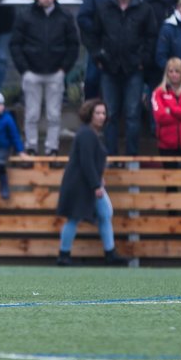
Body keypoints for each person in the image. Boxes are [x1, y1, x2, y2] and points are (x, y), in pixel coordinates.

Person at [84, 0, 159, 154]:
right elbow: (92, 36)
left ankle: (131, 158)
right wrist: (98, 57)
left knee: (133, 114)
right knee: (110, 114)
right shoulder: (103, 8)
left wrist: (143, 61)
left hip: (134, 69)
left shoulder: (144, 9)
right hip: (109, 69)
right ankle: (110, 157)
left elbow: (152, 37)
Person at [10, 0, 78, 155]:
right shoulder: (25, 16)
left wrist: (64, 69)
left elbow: (73, 45)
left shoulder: (64, 16)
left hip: (56, 73)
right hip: (31, 72)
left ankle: (52, 148)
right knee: (31, 114)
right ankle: (31, 146)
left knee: (54, 114)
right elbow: (15, 44)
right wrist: (24, 69)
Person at [56, 98, 121, 267]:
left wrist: (98, 179)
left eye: (103, 113)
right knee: (74, 218)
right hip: (80, 184)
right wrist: (96, 184)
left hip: (88, 183)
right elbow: (86, 162)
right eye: (97, 113)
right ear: (90, 114)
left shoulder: (91, 133)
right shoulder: (86, 133)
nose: (101, 116)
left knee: (105, 213)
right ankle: (64, 255)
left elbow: (91, 161)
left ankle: (110, 253)